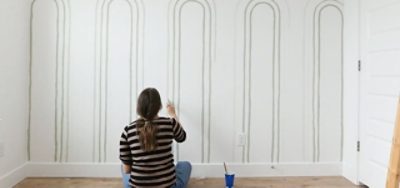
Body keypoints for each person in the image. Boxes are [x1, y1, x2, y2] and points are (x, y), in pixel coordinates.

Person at [120, 88, 191, 188]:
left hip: (138, 186)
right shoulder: (170, 124)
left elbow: (127, 170)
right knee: (185, 165)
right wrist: (173, 114)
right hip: (167, 185)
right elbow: (182, 137)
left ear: (139, 107)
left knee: (123, 166)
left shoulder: (128, 131)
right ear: (159, 106)